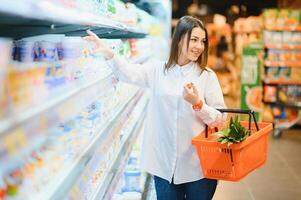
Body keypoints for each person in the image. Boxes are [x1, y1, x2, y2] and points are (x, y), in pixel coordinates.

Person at [84, 16, 226, 200]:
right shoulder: (158, 71)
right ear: (179, 39)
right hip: (164, 166)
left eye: (202, 41)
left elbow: (221, 120)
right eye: (194, 39)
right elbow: (128, 73)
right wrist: (108, 53)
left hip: (198, 167)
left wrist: (198, 104)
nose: (199, 46)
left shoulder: (207, 76)